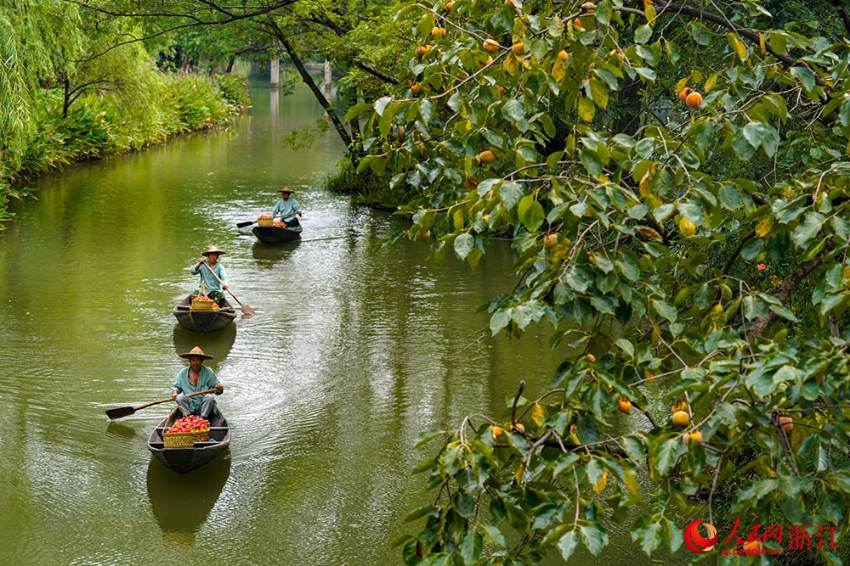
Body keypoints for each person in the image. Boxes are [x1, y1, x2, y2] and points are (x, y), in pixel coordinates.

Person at [171, 346, 224, 419]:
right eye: (193, 360)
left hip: (204, 406)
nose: (196, 363)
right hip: (189, 405)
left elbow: (217, 390)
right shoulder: (182, 373)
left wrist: (220, 389)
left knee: (210, 397)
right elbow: (176, 387)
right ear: (190, 361)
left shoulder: (208, 372)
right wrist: (174, 393)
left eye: (198, 360)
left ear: (202, 361)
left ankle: (203, 418)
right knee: (179, 398)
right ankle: (188, 417)